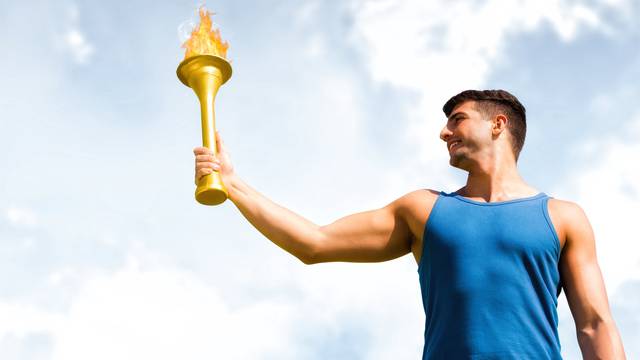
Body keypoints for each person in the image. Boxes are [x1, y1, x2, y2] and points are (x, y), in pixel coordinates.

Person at [193, 89, 626, 359]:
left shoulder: (563, 218)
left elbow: (595, 325)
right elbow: (315, 243)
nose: (443, 132)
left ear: (498, 124)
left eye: (457, 119)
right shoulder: (423, 210)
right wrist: (233, 185)